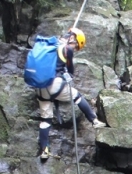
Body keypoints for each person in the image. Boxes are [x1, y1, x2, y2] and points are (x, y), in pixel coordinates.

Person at [35, 27, 106, 160]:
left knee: (45, 119)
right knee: (77, 96)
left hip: (39, 85)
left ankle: (44, 150)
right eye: (77, 47)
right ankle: (94, 120)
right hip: (54, 83)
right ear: (74, 40)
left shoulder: (52, 43)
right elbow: (70, 71)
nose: (75, 49)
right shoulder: (67, 49)